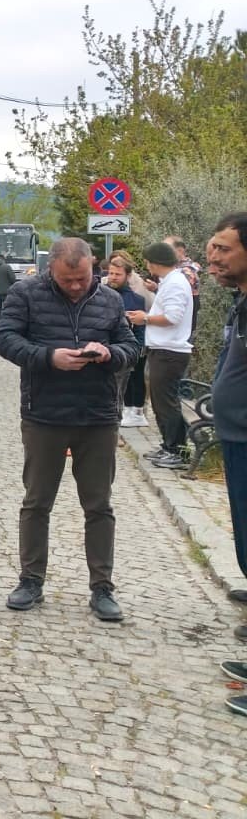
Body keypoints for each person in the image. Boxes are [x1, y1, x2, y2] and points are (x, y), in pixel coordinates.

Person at [0, 238, 139, 622]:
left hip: (98, 416)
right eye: (66, 279)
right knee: (37, 502)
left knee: (99, 506)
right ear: (51, 270)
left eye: (82, 278)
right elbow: (3, 338)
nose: (75, 286)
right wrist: (47, 357)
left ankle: (102, 587)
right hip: (44, 415)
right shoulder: (26, 293)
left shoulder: (109, 299)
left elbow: (130, 347)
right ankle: (30, 580)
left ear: (93, 266)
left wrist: (109, 356)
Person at [202, 215, 247, 665]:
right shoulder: (241, 301)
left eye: (223, 249)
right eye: (211, 247)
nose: (212, 257)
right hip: (237, 435)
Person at [130, 241, 194, 469]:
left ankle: (176, 450)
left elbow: (173, 317)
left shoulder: (175, 283)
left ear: (154, 263)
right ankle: (171, 446)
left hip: (170, 351)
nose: (147, 266)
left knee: (166, 403)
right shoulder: (170, 282)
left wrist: (144, 318)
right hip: (163, 349)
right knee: (161, 401)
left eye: (147, 262)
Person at [105, 252, 149, 428]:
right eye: (111, 273)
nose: (113, 277)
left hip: (121, 353)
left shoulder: (135, 300)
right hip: (101, 350)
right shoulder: (100, 293)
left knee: (118, 393)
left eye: (118, 274)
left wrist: (137, 351)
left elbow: (139, 330)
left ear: (128, 276)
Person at [165, 235, 203, 338]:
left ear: (180, 251)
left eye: (167, 248)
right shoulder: (177, 268)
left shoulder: (187, 271)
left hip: (181, 326)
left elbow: (177, 292)